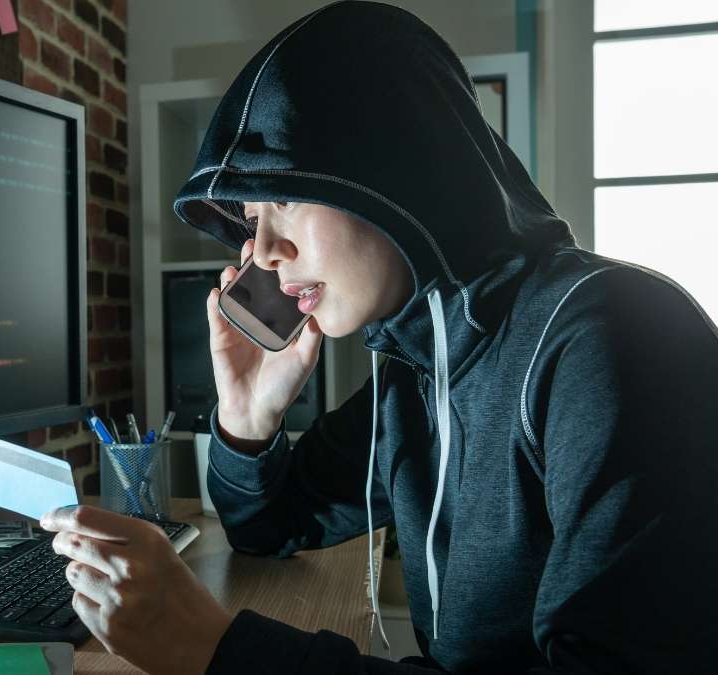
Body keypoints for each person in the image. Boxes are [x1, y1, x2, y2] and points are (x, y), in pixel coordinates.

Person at [40, 1, 718, 673]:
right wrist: (246, 419)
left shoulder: (614, 339)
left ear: (392, 161)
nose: (264, 249)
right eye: (250, 217)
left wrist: (220, 651)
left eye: (282, 197)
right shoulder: (417, 365)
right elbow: (268, 526)